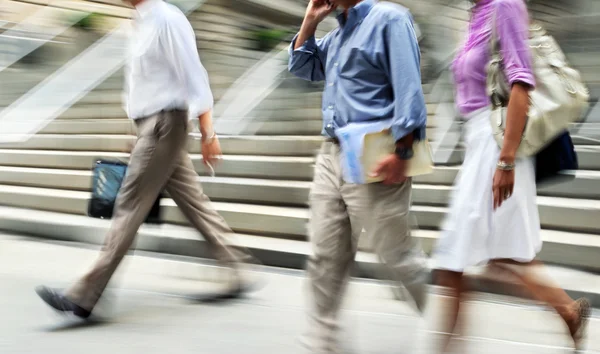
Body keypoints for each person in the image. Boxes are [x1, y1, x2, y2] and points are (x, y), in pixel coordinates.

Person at [35, 0, 255, 318]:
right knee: (194, 203)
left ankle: (85, 294)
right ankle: (237, 268)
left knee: (129, 206)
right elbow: (145, 83)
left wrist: (208, 133)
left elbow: (194, 75)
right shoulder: (141, 21)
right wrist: (137, 131)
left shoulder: (167, 19)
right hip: (153, 127)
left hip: (165, 123)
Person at [431, 0, 590, 351]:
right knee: (501, 255)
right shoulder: (474, 13)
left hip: (498, 142)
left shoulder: (505, 5)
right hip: (478, 141)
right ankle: (567, 311)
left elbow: (521, 82)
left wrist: (506, 161)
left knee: (454, 260)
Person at [288, 0, 429, 352]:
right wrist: (310, 20)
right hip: (331, 150)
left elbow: (409, 88)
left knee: (395, 253)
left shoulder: (390, 19)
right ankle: (324, 341)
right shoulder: (336, 35)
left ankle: (446, 323)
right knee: (325, 251)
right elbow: (303, 66)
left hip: (377, 150)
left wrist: (403, 152)